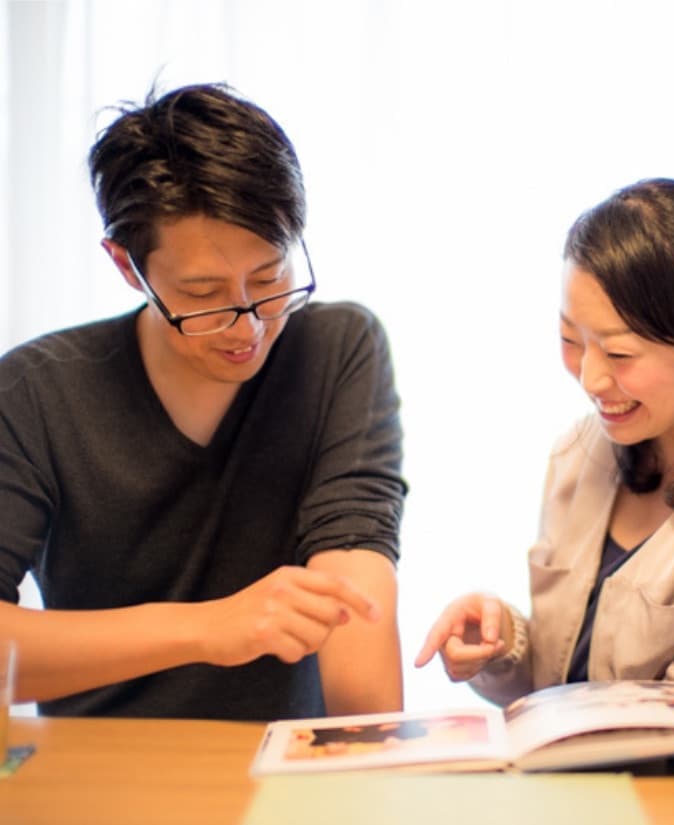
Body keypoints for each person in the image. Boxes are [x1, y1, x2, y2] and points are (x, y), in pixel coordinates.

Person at [0, 83, 407, 721]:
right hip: (98, 771)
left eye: (271, 278)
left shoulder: (335, 350)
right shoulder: (35, 393)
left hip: (280, 771)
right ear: (127, 266)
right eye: (204, 293)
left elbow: (353, 576)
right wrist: (207, 629)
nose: (249, 326)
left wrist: (375, 767)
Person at [416, 178, 674, 718]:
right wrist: (504, 645)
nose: (590, 378)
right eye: (571, 340)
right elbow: (562, 684)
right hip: (598, 786)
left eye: (620, 353)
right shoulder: (583, 450)